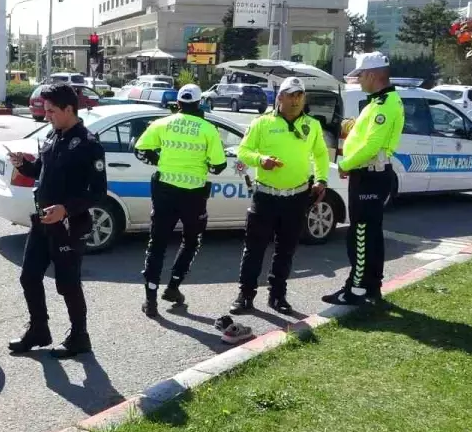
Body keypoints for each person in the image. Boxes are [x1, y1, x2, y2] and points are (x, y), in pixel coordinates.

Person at [7, 84, 107, 358]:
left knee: (68, 284)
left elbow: (97, 193)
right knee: (29, 277)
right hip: (42, 221)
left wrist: (66, 209)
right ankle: (39, 329)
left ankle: (79, 337)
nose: (47, 115)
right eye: (46, 110)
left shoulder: (88, 144)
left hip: (68, 225)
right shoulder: (53, 135)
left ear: (68, 109)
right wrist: (22, 165)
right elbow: (42, 169)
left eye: (51, 111)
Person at [228, 77, 329, 332]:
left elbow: (320, 154)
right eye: (290, 95)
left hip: (296, 197)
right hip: (266, 196)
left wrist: (321, 179)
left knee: (286, 250)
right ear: (279, 98)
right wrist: (261, 160)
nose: (295, 100)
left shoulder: (312, 126)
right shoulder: (262, 123)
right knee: (255, 248)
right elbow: (243, 151)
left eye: (299, 95)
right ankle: (245, 295)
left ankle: (277, 296)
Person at [133, 83, 227, 317]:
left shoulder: (162, 124)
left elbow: (141, 149)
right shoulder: (208, 129)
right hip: (194, 195)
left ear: (177, 103)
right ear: (199, 103)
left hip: (164, 190)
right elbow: (219, 166)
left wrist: (162, 162)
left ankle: (151, 299)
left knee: (157, 244)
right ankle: (174, 286)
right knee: (191, 241)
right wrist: (202, 164)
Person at [322, 52, 405, 306]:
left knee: (359, 233)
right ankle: (371, 286)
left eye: (360, 76)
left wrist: (345, 164)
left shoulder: (384, 105)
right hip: (371, 173)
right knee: (371, 233)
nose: (358, 81)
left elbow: (372, 145)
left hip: (369, 174)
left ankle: (356, 288)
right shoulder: (379, 102)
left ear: (372, 75)